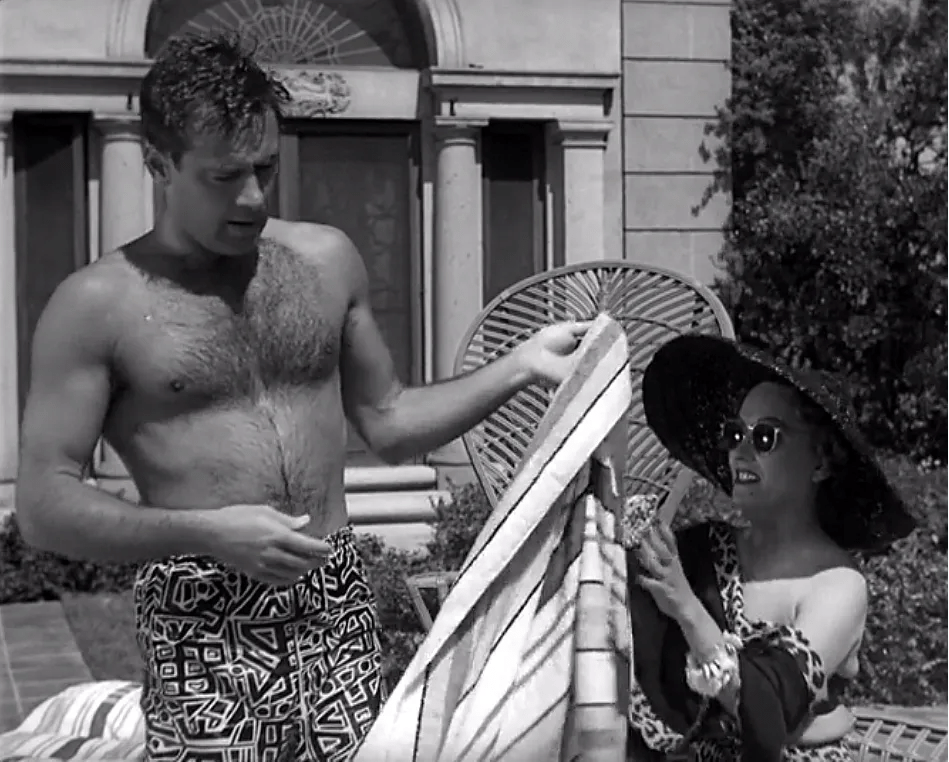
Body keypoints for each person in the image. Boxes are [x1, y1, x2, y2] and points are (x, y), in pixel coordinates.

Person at [14, 32, 589, 762]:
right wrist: (206, 533)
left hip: (333, 598)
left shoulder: (324, 260)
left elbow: (388, 422)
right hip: (204, 613)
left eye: (264, 168)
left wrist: (519, 366)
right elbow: (43, 505)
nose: (253, 197)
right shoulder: (97, 305)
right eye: (224, 176)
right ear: (159, 164)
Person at [622, 334, 916, 761]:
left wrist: (685, 607)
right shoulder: (702, 550)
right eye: (733, 434)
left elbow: (770, 706)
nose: (739, 452)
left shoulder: (838, 586)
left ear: (821, 461)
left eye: (764, 437)